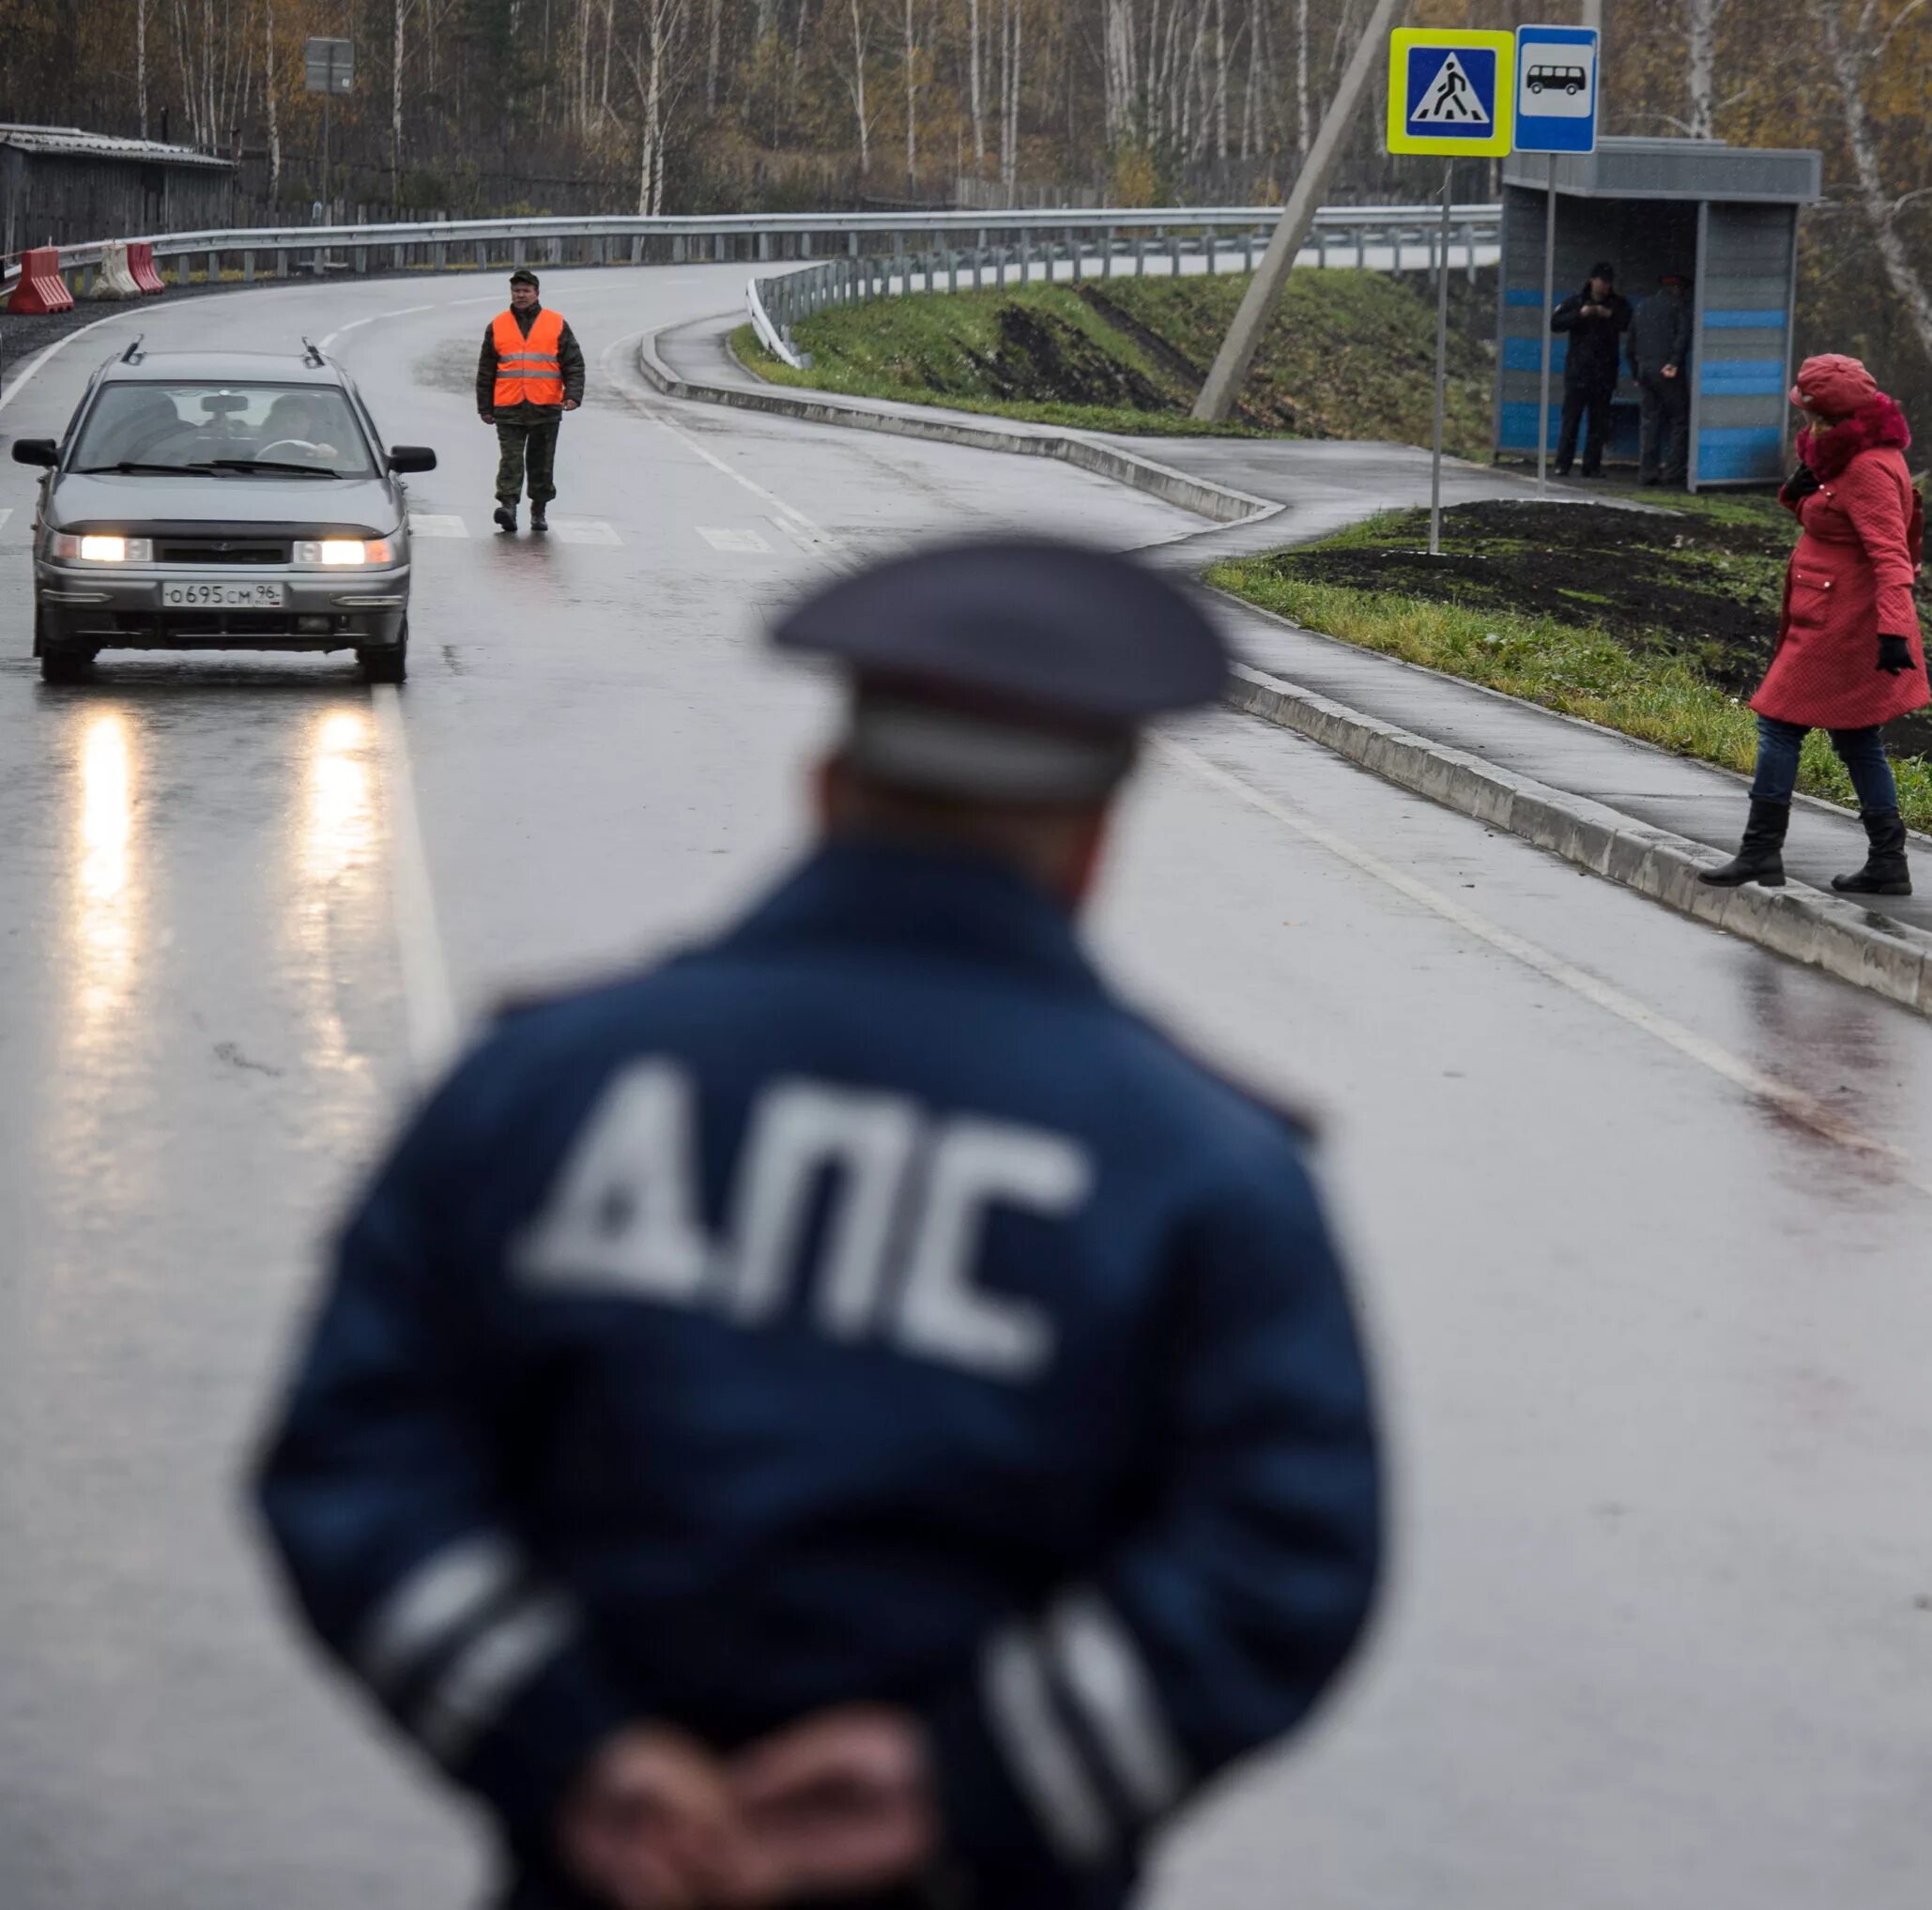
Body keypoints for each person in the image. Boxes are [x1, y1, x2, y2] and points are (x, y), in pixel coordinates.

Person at [251, 540, 1387, 1910]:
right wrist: (956, 1780)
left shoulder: (542, 1082)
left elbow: (353, 1454)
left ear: (829, 789)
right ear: (1091, 844)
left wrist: (574, 1746)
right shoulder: (1205, 1168)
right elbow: (1287, 1552)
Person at [1699, 354, 1930, 896]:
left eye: (1808, 411)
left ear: (1828, 415)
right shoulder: (1838, 454)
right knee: (1857, 739)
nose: (1803, 420)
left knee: (1779, 723)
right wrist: (1797, 491)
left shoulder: (1868, 465)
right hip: (1825, 610)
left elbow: (1892, 553)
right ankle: (1887, 862)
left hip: (1847, 621)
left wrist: (1894, 631)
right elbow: (1828, 517)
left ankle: (1761, 852)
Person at [478, 268, 583, 533]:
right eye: (516, 291)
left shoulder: (556, 323)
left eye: (525, 291)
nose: (520, 295)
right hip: (508, 405)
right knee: (510, 460)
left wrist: (572, 396)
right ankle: (508, 507)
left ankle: (539, 509)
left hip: (546, 405)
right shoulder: (498, 325)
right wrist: (485, 407)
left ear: (536, 293)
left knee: (541, 462)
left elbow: (573, 363)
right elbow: (486, 370)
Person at [1548, 262, 1630, 479]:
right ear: (1592, 281)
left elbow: (1627, 323)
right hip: (1578, 373)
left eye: (1608, 283)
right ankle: (1562, 464)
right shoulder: (1575, 302)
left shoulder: (1618, 305)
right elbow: (1555, 323)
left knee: (1599, 423)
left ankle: (1591, 466)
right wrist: (1580, 315)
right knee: (1571, 420)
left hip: (1604, 374)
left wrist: (1608, 315)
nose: (1605, 286)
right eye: (1602, 281)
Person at [1627, 271, 1692, 488]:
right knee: (1679, 420)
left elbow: (1630, 344)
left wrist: (1636, 372)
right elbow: (1683, 337)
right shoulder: (1678, 307)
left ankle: (1647, 473)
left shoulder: (1642, 307)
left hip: (1645, 371)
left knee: (1649, 422)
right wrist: (1673, 362)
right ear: (1676, 289)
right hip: (1667, 371)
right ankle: (1673, 472)